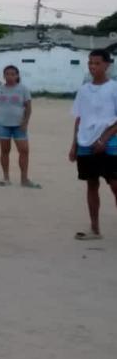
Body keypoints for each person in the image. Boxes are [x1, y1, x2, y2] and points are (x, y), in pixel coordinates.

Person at [69, 50, 117, 241]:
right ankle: (94, 228)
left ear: (107, 65)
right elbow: (79, 118)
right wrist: (74, 145)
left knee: (115, 184)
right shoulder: (84, 90)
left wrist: (104, 140)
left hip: (110, 141)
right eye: (90, 63)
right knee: (91, 184)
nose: (92, 67)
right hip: (85, 142)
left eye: (96, 63)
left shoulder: (114, 88)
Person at [0, 65, 38, 189]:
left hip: (19, 125)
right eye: (7, 74)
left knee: (24, 151)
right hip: (3, 124)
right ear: (4, 75)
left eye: (12, 74)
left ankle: (24, 179)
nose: (10, 76)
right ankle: (6, 178)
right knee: (5, 151)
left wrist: (25, 122)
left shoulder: (23, 89)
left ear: (17, 75)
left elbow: (28, 107)